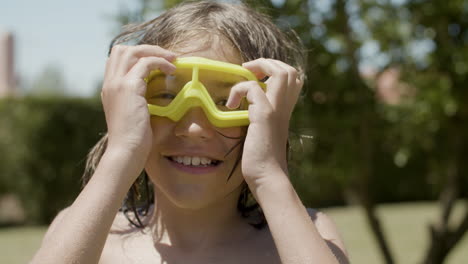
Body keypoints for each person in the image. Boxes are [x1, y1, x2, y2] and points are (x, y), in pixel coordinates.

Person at [31, 1, 348, 263]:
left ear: (270, 118)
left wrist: (270, 175)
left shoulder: (307, 237)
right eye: (168, 96)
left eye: (227, 101)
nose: (194, 128)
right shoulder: (81, 235)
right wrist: (120, 153)